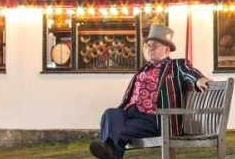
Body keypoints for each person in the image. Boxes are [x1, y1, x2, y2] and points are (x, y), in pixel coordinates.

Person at [89, 25, 211, 159]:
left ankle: (108, 148)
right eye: (148, 45)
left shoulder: (176, 65)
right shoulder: (144, 69)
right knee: (110, 114)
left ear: (167, 49)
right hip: (130, 113)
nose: (149, 48)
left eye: (154, 45)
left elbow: (188, 71)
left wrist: (198, 79)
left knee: (115, 133)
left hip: (155, 118)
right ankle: (109, 149)